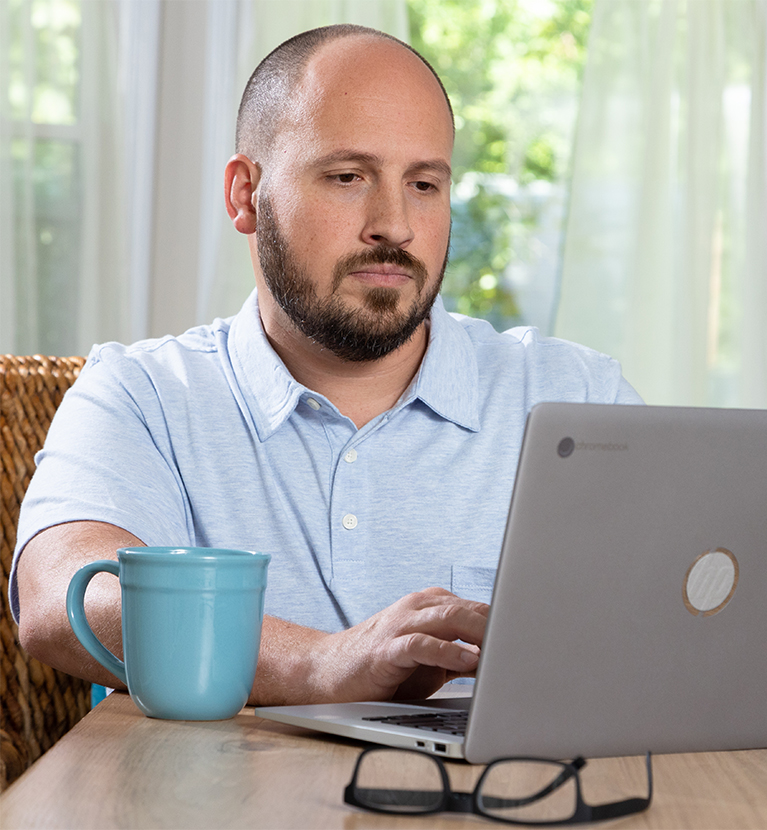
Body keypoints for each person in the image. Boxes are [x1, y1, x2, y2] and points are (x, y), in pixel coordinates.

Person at [12, 25, 641, 706]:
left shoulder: (576, 396)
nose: (395, 225)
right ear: (245, 195)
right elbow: (59, 599)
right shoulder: (143, 396)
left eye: (424, 184)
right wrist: (320, 665)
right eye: (348, 177)